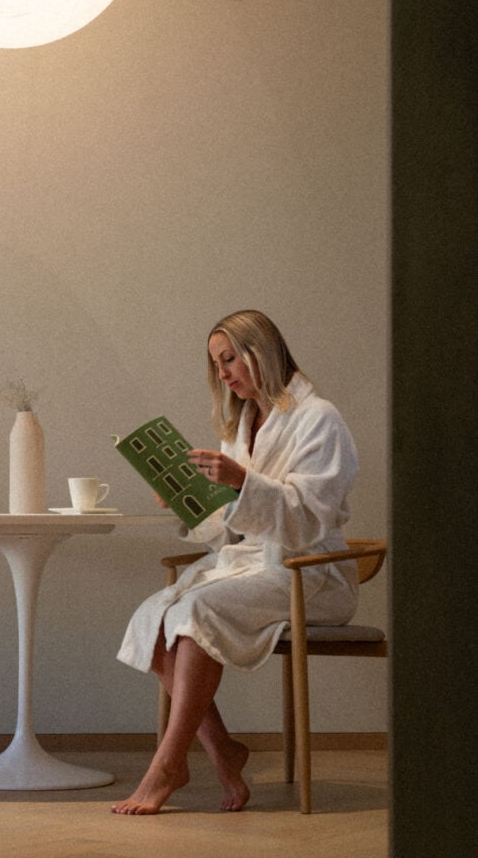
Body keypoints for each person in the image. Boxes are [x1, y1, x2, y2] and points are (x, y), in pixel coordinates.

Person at [111, 309, 359, 815]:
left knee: (199, 611)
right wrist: (188, 499)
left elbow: (312, 517)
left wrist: (242, 482)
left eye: (229, 359)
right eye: (216, 364)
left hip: (308, 570)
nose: (222, 374)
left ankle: (169, 764)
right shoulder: (242, 424)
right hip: (249, 563)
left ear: (259, 352)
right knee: (155, 618)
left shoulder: (320, 419)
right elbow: (229, 529)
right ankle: (224, 751)